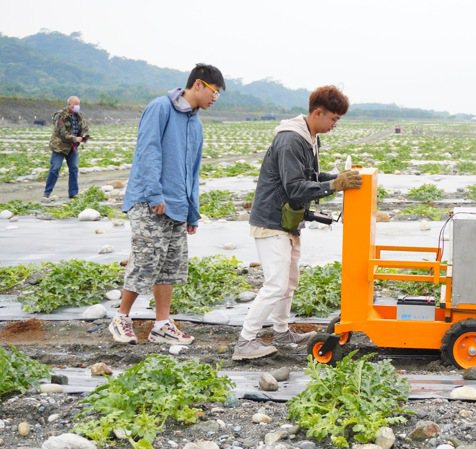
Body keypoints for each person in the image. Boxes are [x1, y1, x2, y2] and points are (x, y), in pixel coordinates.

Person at [232, 85, 362, 360]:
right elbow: (295, 188)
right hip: (271, 221)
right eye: (334, 119)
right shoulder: (291, 140)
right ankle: (245, 341)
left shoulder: (309, 138)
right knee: (275, 284)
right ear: (318, 112)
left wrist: (336, 178)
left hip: (287, 222)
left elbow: (310, 175)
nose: (334, 125)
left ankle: (281, 332)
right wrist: (335, 185)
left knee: (289, 282)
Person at [108, 64, 225, 345]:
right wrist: (154, 194)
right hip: (150, 202)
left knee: (170, 266)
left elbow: (192, 170)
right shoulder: (160, 108)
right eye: (214, 92)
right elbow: (148, 151)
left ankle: (162, 324)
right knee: (146, 260)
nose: (214, 99)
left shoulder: (195, 123)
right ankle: (121, 317)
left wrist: (192, 211)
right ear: (198, 85)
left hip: (176, 206)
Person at [44, 96, 88, 200]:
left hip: (72, 148)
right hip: (59, 147)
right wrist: (75, 138)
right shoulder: (61, 116)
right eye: (75, 105)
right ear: (69, 105)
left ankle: (73, 194)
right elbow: (62, 133)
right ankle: (47, 193)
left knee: (74, 169)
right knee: (55, 169)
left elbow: (85, 127)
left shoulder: (79, 116)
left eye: (78, 104)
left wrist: (84, 136)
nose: (77, 107)